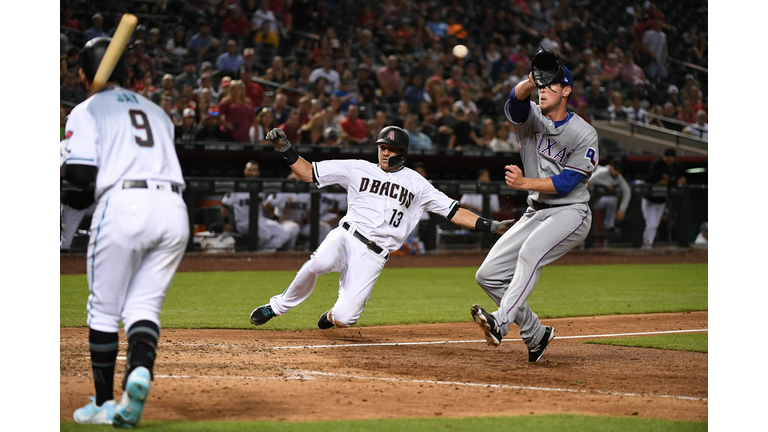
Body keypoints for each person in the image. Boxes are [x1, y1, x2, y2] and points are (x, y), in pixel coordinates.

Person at [249, 125, 515, 329]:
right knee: (317, 264)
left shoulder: (418, 183)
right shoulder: (357, 168)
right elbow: (309, 173)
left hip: (375, 255)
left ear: (403, 153)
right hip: (347, 235)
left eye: (391, 149)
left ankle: (332, 315)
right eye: (382, 147)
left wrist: (491, 227)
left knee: (344, 318)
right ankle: (277, 307)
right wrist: (286, 148)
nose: (385, 152)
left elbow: (453, 212)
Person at [64, 37, 189, 427]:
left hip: (123, 204)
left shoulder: (86, 110)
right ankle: (138, 372)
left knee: (103, 308)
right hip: (173, 209)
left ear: (85, 73)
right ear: (126, 72)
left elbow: (81, 176)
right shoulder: (157, 111)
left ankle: (103, 404)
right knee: (143, 307)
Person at [470, 59, 599, 363]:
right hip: (535, 211)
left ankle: (501, 323)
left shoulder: (584, 133)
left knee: (531, 252)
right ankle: (536, 334)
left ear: (566, 90)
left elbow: (568, 182)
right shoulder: (532, 117)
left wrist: (524, 181)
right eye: (540, 85)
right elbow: (515, 102)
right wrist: (529, 80)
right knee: (488, 275)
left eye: (550, 85)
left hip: (571, 212)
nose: (542, 90)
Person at [220, 161, 290, 251]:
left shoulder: (261, 186)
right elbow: (224, 206)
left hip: (260, 220)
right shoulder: (236, 187)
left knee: (284, 234)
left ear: (258, 173)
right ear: (245, 171)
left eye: (254, 170)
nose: (252, 172)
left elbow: (269, 200)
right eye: (249, 170)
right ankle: (254, 253)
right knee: (265, 235)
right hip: (243, 223)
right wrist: (227, 223)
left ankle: (263, 253)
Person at [641, 148, 686, 249]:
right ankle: (646, 246)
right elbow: (659, 181)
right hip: (649, 200)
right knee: (651, 225)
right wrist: (673, 182)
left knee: (654, 225)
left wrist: (669, 181)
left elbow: (682, 179)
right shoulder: (657, 164)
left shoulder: (676, 166)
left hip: (661, 201)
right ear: (664, 157)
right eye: (668, 157)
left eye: (672, 158)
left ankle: (647, 246)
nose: (670, 160)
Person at [590, 158, 631, 234]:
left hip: (597, 202)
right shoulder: (602, 172)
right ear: (610, 167)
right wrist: (606, 184)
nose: (616, 172)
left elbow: (627, 191)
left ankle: (609, 226)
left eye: (618, 170)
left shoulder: (618, 177)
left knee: (612, 200)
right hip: (587, 202)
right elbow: (590, 180)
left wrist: (622, 209)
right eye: (615, 169)